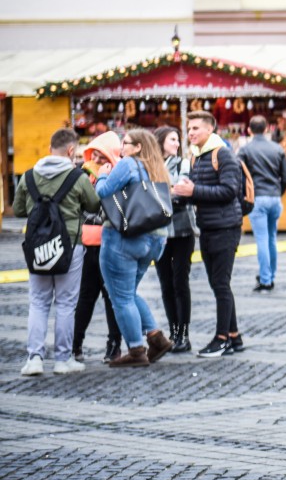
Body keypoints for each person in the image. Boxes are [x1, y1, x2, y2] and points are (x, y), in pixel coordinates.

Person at [14, 128, 101, 376]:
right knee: (65, 303)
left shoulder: (28, 176)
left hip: (37, 246)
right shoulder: (77, 176)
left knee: (38, 302)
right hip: (70, 246)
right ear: (71, 150)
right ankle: (63, 359)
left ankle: (34, 359)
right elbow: (93, 204)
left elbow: (19, 209)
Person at [94, 128, 174, 368]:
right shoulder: (157, 167)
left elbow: (102, 192)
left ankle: (136, 350)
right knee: (128, 292)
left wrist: (102, 175)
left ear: (138, 147)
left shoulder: (128, 164)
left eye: (126, 143)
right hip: (155, 240)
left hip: (124, 238)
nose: (121, 147)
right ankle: (156, 338)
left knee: (121, 297)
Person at [173, 110, 245, 358]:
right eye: (189, 129)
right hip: (208, 227)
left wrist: (194, 190)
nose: (190, 133)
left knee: (221, 284)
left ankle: (221, 338)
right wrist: (181, 194)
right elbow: (197, 192)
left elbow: (229, 191)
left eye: (195, 128)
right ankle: (234, 337)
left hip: (226, 227)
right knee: (218, 283)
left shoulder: (222, 154)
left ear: (210, 129)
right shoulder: (196, 157)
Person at [75, 131, 124, 362]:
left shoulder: (117, 177)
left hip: (111, 246)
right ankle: (75, 345)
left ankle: (114, 345)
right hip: (86, 248)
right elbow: (82, 210)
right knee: (85, 297)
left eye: (101, 156)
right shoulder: (82, 176)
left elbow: (109, 212)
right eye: (93, 154)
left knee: (111, 298)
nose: (95, 160)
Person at [153, 126, 196, 352]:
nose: (177, 144)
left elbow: (181, 193)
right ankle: (173, 331)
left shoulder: (183, 164)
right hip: (158, 231)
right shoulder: (151, 165)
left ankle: (184, 335)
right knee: (165, 283)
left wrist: (161, 192)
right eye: (172, 140)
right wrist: (168, 191)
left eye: (178, 140)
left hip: (182, 230)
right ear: (160, 141)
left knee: (180, 281)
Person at [239, 115, 286, 292]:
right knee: (271, 238)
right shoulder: (277, 149)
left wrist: (246, 195)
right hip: (275, 197)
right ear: (267, 128)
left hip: (258, 197)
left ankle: (266, 279)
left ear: (250, 130)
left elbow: (240, 175)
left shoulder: (245, 150)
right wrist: (279, 193)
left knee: (261, 239)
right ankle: (271, 275)